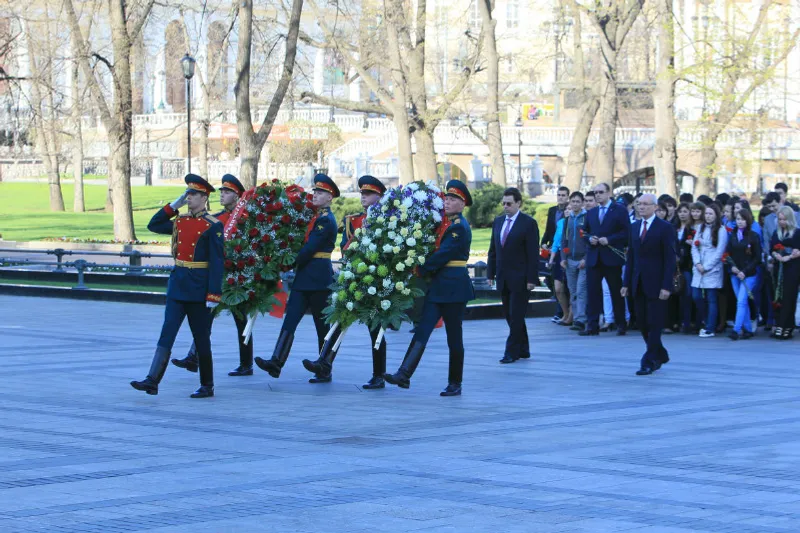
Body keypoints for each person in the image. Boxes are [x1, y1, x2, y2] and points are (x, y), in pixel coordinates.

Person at [130, 174, 224, 398]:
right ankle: (152, 380)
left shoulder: (213, 225)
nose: (189, 197)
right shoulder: (180, 221)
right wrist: (174, 206)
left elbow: (217, 262)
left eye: (193, 194)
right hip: (178, 285)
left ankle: (207, 385)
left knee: (201, 338)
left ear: (204, 198)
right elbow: (154, 224)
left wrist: (213, 294)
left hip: (199, 288)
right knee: (167, 333)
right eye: (187, 193)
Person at [384, 180, 475, 396]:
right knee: (423, 329)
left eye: (453, 199)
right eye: (447, 198)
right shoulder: (445, 224)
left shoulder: (459, 227)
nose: (447, 202)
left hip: (454, 288)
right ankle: (404, 374)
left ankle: (455, 383)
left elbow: (443, 254)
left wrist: (420, 268)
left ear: (463, 204)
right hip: (438, 287)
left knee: (454, 337)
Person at [301, 175, 389, 387]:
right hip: (354, 278)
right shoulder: (353, 221)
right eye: (362, 193)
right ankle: (324, 363)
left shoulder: (388, 220)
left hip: (376, 281)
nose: (364, 196)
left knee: (375, 327)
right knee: (339, 320)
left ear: (379, 197)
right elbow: (345, 249)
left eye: (369, 193)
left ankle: (379, 374)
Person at [254, 174, 339, 378]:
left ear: (330, 197)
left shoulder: (326, 220)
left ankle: (324, 366)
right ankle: (276, 361)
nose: (315, 195)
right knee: (290, 320)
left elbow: (309, 249)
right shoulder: (314, 217)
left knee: (322, 326)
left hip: (318, 278)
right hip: (303, 278)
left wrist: (286, 263)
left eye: (321, 193)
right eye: (315, 191)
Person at [171, 174, 255, 377]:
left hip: (236, 275)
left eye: (227, 192)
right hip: (215, 275)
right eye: (222, 191)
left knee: (240, 318)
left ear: (237, 196)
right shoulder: (216, 219)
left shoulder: (246, 219)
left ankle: (246, 363)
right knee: (205, 317)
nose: (222, 195)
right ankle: (193, 357)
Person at [622, 194, 676, 375]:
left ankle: (649, 361)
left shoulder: (665, 228)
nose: (641, 207)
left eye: (646, 204)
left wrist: (666, 286)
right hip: (638, 282)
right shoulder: (634, 227)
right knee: (642, 322)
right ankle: (660, 353)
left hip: (657, 283)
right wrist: (626, 283)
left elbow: (670, 259)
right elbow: (631, 257)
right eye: (639, 204)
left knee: (654, 322)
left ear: (655, 207)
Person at [487, 187, 539, 364]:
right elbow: (493, 250)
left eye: (509, 204)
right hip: (503, 277)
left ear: (518, 203)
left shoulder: (528, 223)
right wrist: (490, 273)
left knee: (516, 315)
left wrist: (532, 279)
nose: (505, 207)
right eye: (503, 203)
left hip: (521, 278)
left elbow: (533, 254)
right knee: (510, 315)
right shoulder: (498, 221)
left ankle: (511, 352)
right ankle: (523, 348)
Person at [581, 182, 631, 336]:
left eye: (601, 192)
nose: (598, 195)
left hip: (611, 257)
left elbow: (626, 232)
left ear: (609, 193)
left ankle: (621, 324)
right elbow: (584, 232)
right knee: (593, 292)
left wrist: (609, 239)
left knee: (616, 292)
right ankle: (592, 326)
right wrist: (590, 239)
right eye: (595, 192)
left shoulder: (619, 210)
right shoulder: (592, 212)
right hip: (594, 258)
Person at [691, 204, 728, 338]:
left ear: (716, 215)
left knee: (711, 298)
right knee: (696, 296)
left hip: (712, 268)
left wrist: (706, 267)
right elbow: (694, 247)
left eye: (711, 214)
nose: (708, 216)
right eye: (706, 213)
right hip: (698, 266)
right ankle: (705, 320)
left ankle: (710, 328)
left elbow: (719, 252)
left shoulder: (721, 230)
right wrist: (697, 263)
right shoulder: (700, 228)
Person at [726, 209, 761, 340]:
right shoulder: (733, 235)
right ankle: (748, 329)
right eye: (738, 219)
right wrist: (732, 267)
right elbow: (727, 253)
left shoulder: (753, 236)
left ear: (748, 220)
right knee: (742, 301)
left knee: (741, 300)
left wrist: (744, 271)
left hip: (749, 274)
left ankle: (736, 329)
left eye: (742, 219)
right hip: (735, 273)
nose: (740, 222)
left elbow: (757, 258)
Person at [769, 206, 800, 339]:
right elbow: (772, 248)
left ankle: (785, 325)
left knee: (789, 297)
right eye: (780, 219)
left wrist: (790, 256)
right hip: (779, 267)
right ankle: (782, 324)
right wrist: (776, 255)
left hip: (793, 267)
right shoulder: (777, 233)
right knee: (779, 296)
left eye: (784, 219)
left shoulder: (797, 233)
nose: (782, 222)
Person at [542, 186, 570, 321]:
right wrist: (543, 242)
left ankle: (564, 313)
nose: (561, 197)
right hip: (554, 247)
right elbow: (549, 229)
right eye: (559, 195)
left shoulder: (570, 210)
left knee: (565, 284)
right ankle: (561, 311)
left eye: (563, 195)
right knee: (554, 281)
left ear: (568, 197)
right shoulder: (552, 210)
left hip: (566, 250)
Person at [561, 191, 588, 331]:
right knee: (573, 291)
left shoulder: (587, 218)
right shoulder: (568, 220)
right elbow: (564, 240)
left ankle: (581, 319)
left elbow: (589, 240)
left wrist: (586, 258)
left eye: (578, 201)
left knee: (581, 290)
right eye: (573, 201)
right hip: (570, 260)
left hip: (583, 261)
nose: (575, 204)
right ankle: (576, 318)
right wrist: (563, 258)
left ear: (582, 203)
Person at [675, 203, 696, 333]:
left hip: (688, 265)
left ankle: (688, 322)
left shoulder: (692, 229)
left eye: (685, 211)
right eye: (680, 211)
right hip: (676, 265)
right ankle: (678, 321)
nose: (682, 214)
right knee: (677, 293)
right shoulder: (674, 227)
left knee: (688, 294)